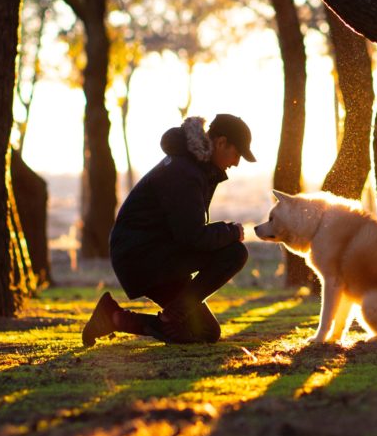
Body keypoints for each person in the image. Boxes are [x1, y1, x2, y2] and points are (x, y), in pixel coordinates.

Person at [82, 114, 255, 345]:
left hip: (154, 254)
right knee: (235, 253)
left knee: (205, 332)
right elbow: (192, 236)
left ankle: (113, 317)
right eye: (237, 154)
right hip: (142, 257)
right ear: (221, 142)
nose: (236, 162)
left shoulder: (194, 167)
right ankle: (171, 318)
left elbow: (187, 231)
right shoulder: (185, 172)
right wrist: (231, 232)